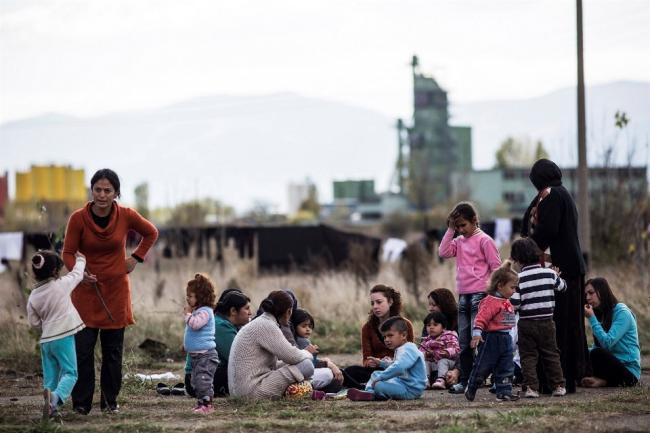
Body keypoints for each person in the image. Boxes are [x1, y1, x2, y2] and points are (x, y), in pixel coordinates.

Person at [62, 168, 158, 414]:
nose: (102, 195)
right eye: (98, 189)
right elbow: (68, 253)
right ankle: (81, 405)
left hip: (116, 292)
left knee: (113, 353)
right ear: (91, 190)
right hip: (85, 293)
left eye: (108, 190)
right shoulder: (78, 218)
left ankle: (109, 403)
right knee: (82, 352)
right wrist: (79, 274)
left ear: (116, 193)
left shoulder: (126, 215)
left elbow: (151, 232)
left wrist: (136, 257)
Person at [521, 159, 589, 393]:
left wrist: (526, 250)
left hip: (560, 269)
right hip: (569, 267)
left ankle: (557, 380)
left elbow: (548, 230)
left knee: (557, 325)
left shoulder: (552, 196)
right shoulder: (561, 194)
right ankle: (566, 377)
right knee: (567, 325)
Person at [439, 202, 502, 394]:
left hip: (480, 296)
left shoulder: (485, 241)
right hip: (463, 297)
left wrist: (493, 294)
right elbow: (443, 252)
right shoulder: (458, 241)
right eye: (457, 226)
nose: (460, 229)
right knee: (464, 342)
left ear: (474, 220)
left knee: (480, 340)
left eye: (463, 225)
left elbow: (496, 268)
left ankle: (490, 378)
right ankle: (466, 380)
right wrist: (450, 230)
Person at [27, 251, 86, 420]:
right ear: (54, 271)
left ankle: (51, 410)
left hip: (46, 341)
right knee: (71, 373)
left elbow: (34, 323)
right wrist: (81, 259)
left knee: (50, 379)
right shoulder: (61, 285)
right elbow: (77, 274)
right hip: (63, 337)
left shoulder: (33, 296)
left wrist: (47, 324)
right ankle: (55, 398)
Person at [228, 290, 316, 399]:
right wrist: (307, 353)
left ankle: (299, 389)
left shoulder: (262, 322)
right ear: (288, 311)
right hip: (251, 391)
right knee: (306, 365)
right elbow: (292, 356)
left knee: (298, 364)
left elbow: (274, 364)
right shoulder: (267, 325)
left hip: (241, 390)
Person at [509, 238, 567, 398]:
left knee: (528, 356)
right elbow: (563, 287)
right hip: (547, 322)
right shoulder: (549, 273)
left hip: (526, 323)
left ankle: (531, 388)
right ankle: (558, 386)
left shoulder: (518, 279)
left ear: (519, 259)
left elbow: (515, 304)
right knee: (551, 354)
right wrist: (557, 276)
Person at [342, 285, 415, 389]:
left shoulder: (405, 324)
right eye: (372, 303)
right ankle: (366, 387)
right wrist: (371, 362)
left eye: (379, 302)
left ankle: (366, 387)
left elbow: (410, 355)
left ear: (390, 302)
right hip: (376, 371)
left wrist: (390, 361)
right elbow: (366, 359)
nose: (375, 306)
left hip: (397, 371)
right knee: (350, 371)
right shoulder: (367, 328)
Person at [465, 263, 519, 402]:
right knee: (483, 365)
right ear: (500, 285)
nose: (514, 291)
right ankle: (472, 387)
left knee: (506, 366)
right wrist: (477, 333)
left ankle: (504, 391)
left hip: (506, 338)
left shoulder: (506, 300)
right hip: (491, 339)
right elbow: (481, 318)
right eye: (512, 287)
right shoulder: (490, 301)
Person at [184, 288, 252, 398]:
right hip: (196, 380)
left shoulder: (224, 323)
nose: (250, 313)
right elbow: (239, 359)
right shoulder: (220, 326)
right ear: (233, 311)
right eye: (247, 308)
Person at [347, 316, 427, 401]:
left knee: (379, 385)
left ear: (403, 335)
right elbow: (396, 365)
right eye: (384, 337)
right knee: (375, 374)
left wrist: (381, 377)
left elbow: (399, 368)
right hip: (402, 383)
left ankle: (374, 394)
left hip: (411, 390)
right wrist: (381, 363)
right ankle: (369, 392)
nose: (386, 340)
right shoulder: (401, 348)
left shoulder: (408, 349)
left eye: (390, 335)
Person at [581, 278, 640, 388]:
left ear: (602, 291)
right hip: (611, 366)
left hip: (629, 372)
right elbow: (597, 345)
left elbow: (607, 343)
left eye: (591, 293)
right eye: (586, 294)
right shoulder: (601, 314)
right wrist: (581, 352)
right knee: (581, 353)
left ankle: (605, 380)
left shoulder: (622, 313)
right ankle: (604, 381)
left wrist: (592, 318)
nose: (588, 297)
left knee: (596, 354)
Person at [183, 274, 219, 414]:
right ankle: (201, 404)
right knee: (197, 381)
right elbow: (192, 333)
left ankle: (207, 405)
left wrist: (187, 315)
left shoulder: (205, 312)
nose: (187, 299)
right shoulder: (198, 311)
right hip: (198, 355)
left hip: (206, 355)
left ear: (201, 296)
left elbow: (195, 325)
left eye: (190, 296)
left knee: (203, 380)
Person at [291, 308, 344, 393]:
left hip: (303, 372)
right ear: (294, 326)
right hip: (301, 373)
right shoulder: (302, 341)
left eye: (310, 326)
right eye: (304, 326)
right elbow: (310, 364)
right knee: (329, 373)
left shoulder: (302, 340)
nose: (308, 329)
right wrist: (326, 363)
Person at [419, 312, 460, 390]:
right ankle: (425, 380)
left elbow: (456, 349)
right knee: (425, 363)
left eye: (435, 325)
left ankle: (441, 380)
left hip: (449, 363)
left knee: (443, 361)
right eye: (428, 325)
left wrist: (447, 352)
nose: (431, 327)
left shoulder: (449, 336)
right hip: (434, 364)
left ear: (443, 327)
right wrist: (426, 354)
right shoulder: (426, 340)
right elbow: (419, 353)